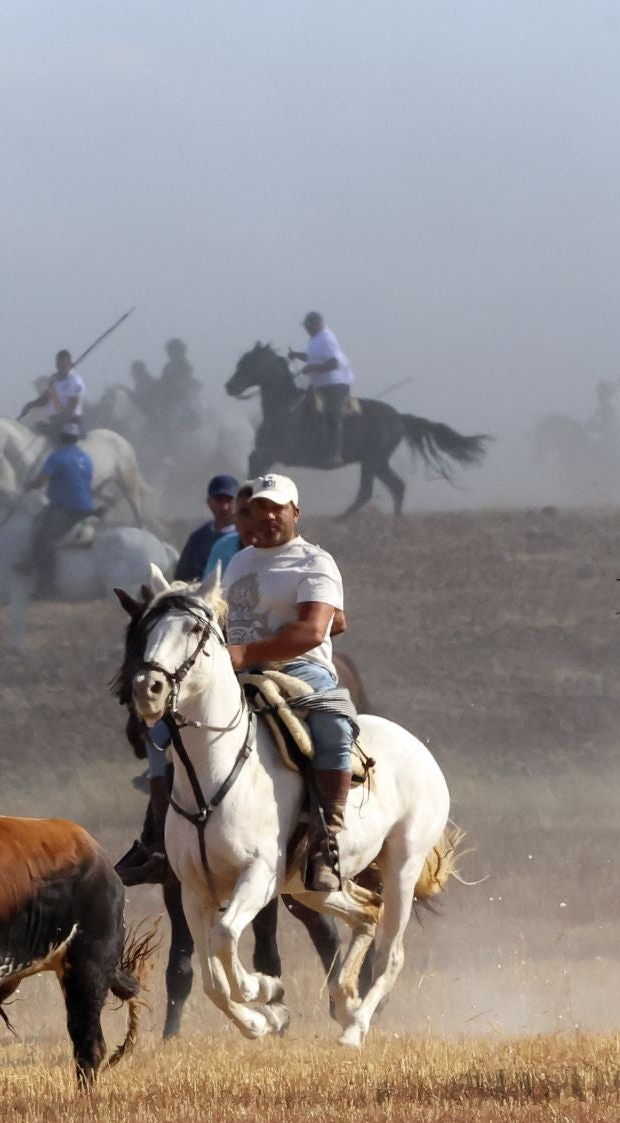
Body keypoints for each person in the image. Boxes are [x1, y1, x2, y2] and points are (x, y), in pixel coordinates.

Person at [221, 473, 354, 891]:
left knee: (334, 725)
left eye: (277, 508)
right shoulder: (239, 562)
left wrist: (245, 652)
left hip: (299, 669)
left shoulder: (315, 562)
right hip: (236, 671)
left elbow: (314, 631)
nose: (268, 515)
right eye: (260, 507)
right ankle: (160, 837)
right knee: (168, 723)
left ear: (295, 512)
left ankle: (326, 838)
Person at [22, 421, 97, 591]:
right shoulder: (87, 458)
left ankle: (46, 586)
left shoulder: (57, 456)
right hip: (87, 509)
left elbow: (41, 481)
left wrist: (29, 486)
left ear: (61, 438)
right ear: (77, 439)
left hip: (65, 509)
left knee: (43, 540)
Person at [288, 311, 353, 465]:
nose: (306, 329)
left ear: (317, 325)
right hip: (320, 384)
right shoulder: (314, 340)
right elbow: (312, 358)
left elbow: (334, 363)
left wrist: (312, 368)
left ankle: (335, 453)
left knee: (332, 414)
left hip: (336, 384)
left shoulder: (327, 339)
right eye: (306, 327)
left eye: (308, 326)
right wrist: (296, 355)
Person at [173, 473, 240, 581]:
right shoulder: (197, 539)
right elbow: (182, 577)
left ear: (238, 502)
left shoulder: (245, 537)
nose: (224, 507)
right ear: (209, 502)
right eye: (219, 500)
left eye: (229, 499)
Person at [158, 337, 201, 434]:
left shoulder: (184, 365)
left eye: (172, 351)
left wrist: (173, 386)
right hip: (168, 398)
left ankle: (171, 437)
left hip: (180, 398)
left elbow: (185, 380)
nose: (170, 354)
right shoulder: (168, 366)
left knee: (171, 421)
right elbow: (162, 381)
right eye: (169, 351)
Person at [47, 349, 85, 433]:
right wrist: (31, 405)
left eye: (63, 365)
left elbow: (70, 410)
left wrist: (55, 425)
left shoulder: (75, 381)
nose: (60, 368)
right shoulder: (54, 380)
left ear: (69, 364)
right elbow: (45, 398)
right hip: (55, 420)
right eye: (58, 365)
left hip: (71, 421)